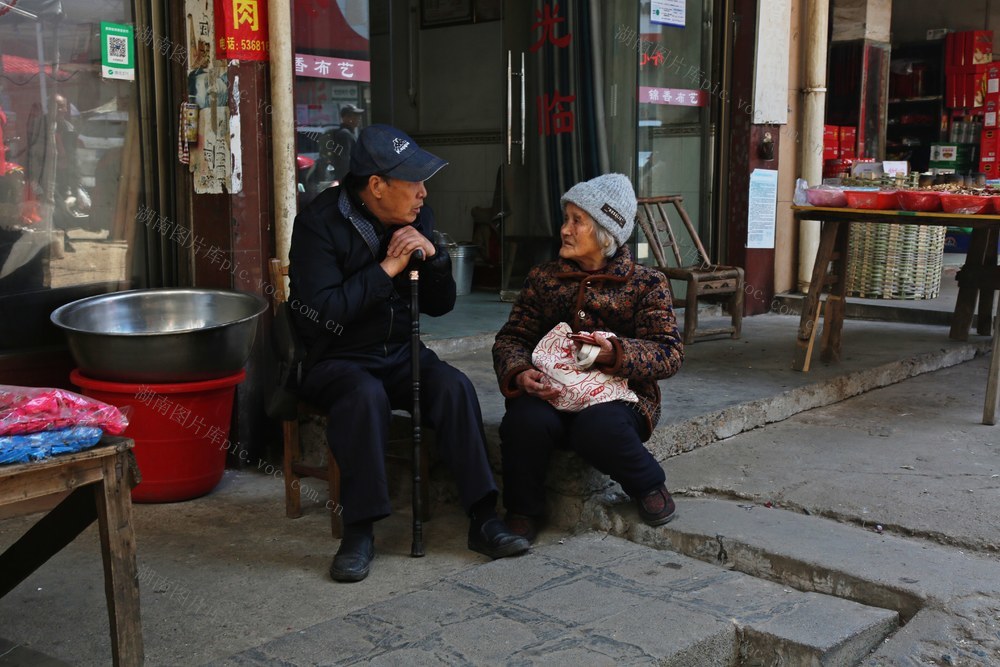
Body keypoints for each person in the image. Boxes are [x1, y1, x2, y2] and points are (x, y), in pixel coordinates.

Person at [288, 123, 530, 583]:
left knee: (454, 387)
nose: (423, 193)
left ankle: (483, 517)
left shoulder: (418, 217)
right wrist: (388, 268)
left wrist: (434, 258)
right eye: (412, 182)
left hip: (398, 351)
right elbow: (322, 314)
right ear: (376, 186)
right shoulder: (318, 224)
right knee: (364, 396)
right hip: (334, 358)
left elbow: (440, 306)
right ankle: (359, 532)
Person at [492, 173, 685, 543]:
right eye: (566, 218)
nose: (564, 229)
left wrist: (617, 353)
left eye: (576, 221)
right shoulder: (544, 278)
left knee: (599, 428)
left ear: (605, 231)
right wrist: (519, 374)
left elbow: (668, 353)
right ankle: (523, 510)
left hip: (618, 398)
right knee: (523, 421)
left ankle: (648, 483)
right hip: (552, 396)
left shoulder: (646, 283)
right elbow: (512, 338)